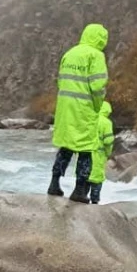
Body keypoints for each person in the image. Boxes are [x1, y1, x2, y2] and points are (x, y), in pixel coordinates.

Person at [48, 23, 109, 203]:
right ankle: (79, 190)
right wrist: (98, 106)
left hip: (65, 108)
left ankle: (54, 184)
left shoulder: (70, 53)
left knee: (66, 147)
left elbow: (60, 81)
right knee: (86, 150)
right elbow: (98, 86)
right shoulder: (96, 55)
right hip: (84, 109)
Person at [89, 101, 114, 204]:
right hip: (98, 154)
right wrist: (108, 153)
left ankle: (81, 198)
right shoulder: (106, 122)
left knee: (85, 175)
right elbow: (108, 141)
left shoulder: (88, 119)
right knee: (97, 177)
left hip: (84, 152)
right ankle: (95, 200)